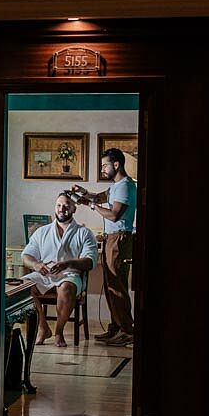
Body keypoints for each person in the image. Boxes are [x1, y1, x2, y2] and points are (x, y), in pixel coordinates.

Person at [72, 147, 137, 346]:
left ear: (116, 164)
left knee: (117, 286)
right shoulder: (116, 186)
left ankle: (127, 330)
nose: (102, 169)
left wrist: (91, 206)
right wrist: (84, 195)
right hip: (111, 238)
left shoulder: (125, 186)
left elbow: (114, 214)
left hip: (119, 239)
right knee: (110, 287)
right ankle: (116, 327)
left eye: (104, 166)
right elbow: (99, 197)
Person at [21, 192, 98, 348]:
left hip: (70, 274)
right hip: (45, 274)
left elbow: (90, 261)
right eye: (59, 205)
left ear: (74, 208)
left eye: (66, 205)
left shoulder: (84, 233)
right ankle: (43, 327)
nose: (62, 209)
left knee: (66, 288)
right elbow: (26, 256)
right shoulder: (42, 231)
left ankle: (59, 331)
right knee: (22, 285)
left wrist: (67, 263)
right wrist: (36, 265)